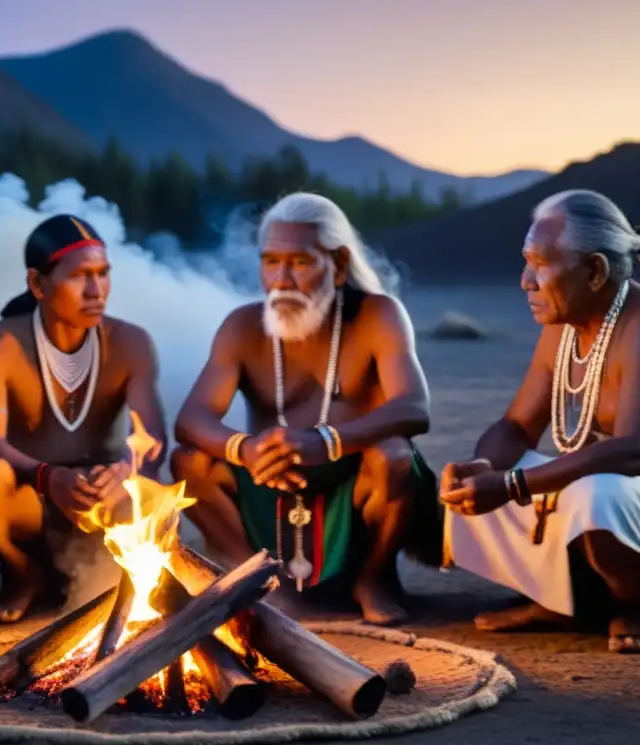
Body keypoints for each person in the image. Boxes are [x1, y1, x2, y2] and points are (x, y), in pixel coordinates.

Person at [440, 189, 640, 653]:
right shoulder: (564, 327)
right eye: (525, 261)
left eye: (540, 264)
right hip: (639, 502)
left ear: (594, 271)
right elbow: (515, 427)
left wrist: (512, 484)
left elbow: (635, 451)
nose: (525, 281)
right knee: (499, 482)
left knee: (598, 491)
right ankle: (564, 600)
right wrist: (480, 468)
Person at [171, 192, 441, 627]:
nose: (281, 279)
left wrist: (326, 442)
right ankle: (253, 584)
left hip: (350, 482)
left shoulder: (378, 316)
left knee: (393, 456)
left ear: (336, 266)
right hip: (270, 481)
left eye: (299, 262)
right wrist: (247, 451)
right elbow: (191, 419)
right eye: (270, 262)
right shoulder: (242, 326)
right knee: (189, 461)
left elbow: (413, 407)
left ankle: (372, 580)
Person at [0, 214, 166, 623]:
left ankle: (115, 581)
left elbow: (153, 437)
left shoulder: (130, 342)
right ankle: (23, 573)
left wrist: (123, 470)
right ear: (38, 284)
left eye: (103, 274)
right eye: (80, 276)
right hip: (32, 495)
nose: (97, 290)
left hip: (99, 497)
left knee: (150, 492)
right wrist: (49, 478)